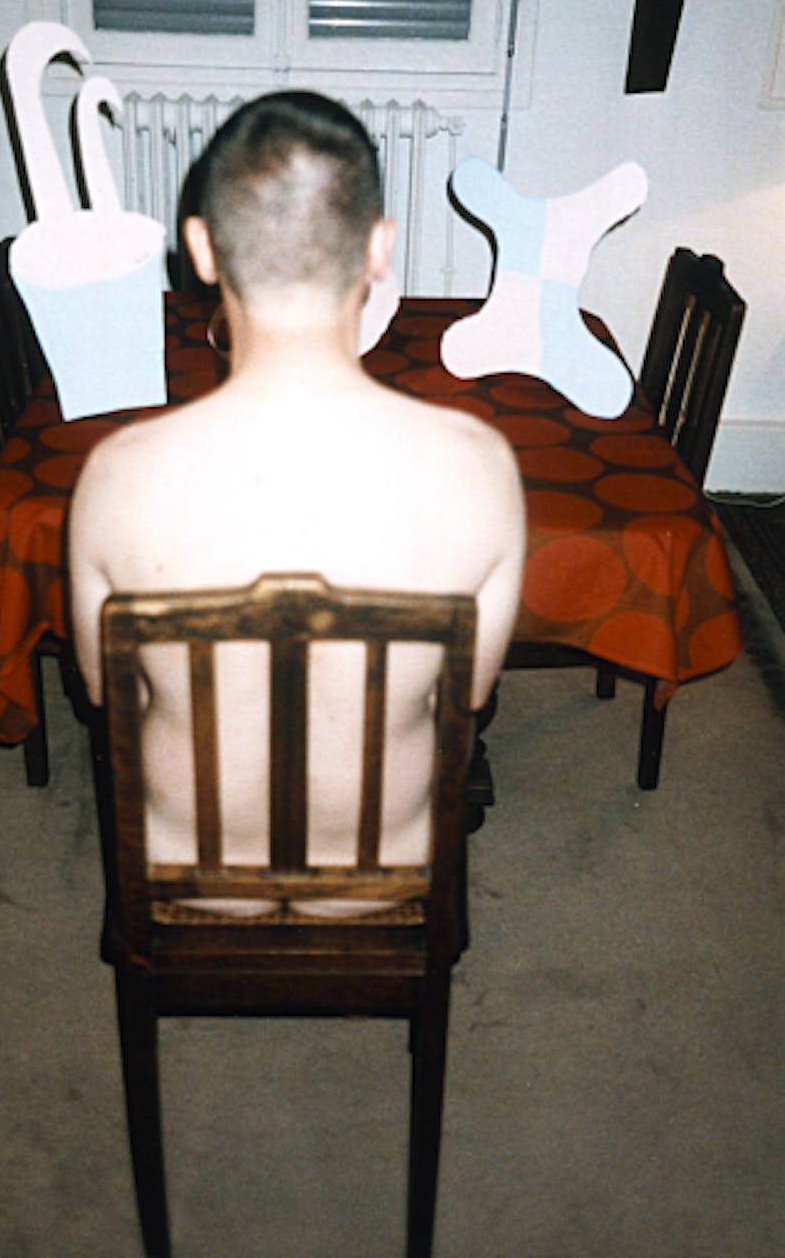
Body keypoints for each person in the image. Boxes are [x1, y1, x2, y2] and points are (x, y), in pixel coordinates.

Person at [69, 91, 525, 895]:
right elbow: (472, 696)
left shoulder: (112, 475)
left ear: (200, 248)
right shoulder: (483, 469)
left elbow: (107, 694)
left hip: (192, 884)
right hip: (383, 883)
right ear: (380, 248)